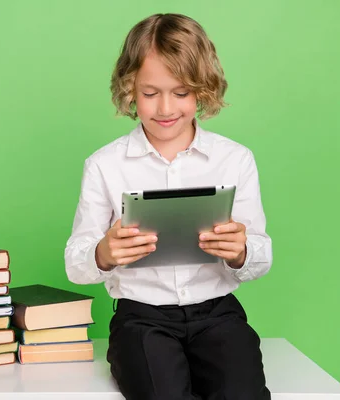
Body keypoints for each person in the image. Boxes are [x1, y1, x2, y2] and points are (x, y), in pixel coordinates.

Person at [64, 13, 272, 400]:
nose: (164, 107)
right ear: (129, 89)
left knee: (243, 393)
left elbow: (260, 256)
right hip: (141, 318)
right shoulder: (104, 165)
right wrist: (104, 253)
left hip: (218, 315)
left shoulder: (235, 159)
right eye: (149, 92)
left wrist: (242, 251)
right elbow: (76, 264)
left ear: (203, 90)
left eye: (180, 92)